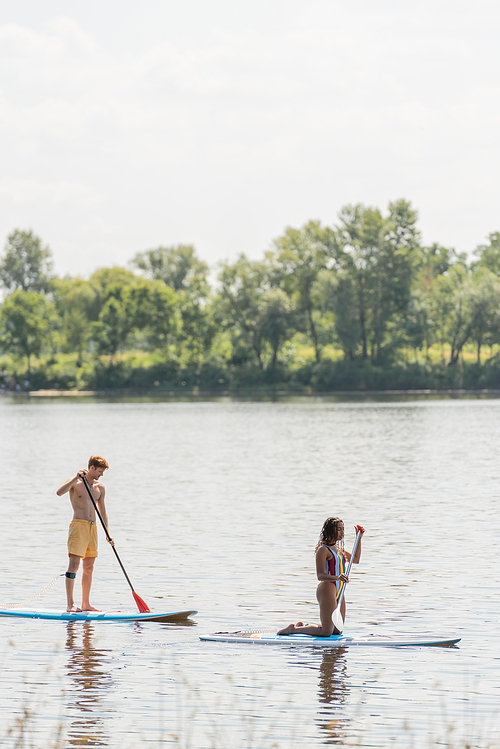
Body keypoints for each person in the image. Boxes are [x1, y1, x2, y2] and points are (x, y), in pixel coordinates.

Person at [278, 517, 364, 637]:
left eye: (343, 529)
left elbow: (355, 559)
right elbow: (320, 575)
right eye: (339, 529)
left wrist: (358, 539)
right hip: (327, 588)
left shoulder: (339, 549)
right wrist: (337, 577)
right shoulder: (323, 550)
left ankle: (303, 627)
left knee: (337, 630)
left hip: (340, 590)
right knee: (326, 632)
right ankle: (293, 629)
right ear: (330, 530)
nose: (342, 532)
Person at [56, 455, 114, 612]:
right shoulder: (75, 482)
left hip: (92, 528)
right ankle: (70, 604)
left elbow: (103, 512)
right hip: (79, 526)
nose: (101, 475)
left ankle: (86, 604)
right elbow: (59, 492)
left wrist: (107, 533)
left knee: (89, 567)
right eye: (100, 471)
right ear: (92, 468)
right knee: (74, 566)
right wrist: (75, 476)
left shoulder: (100, 488)